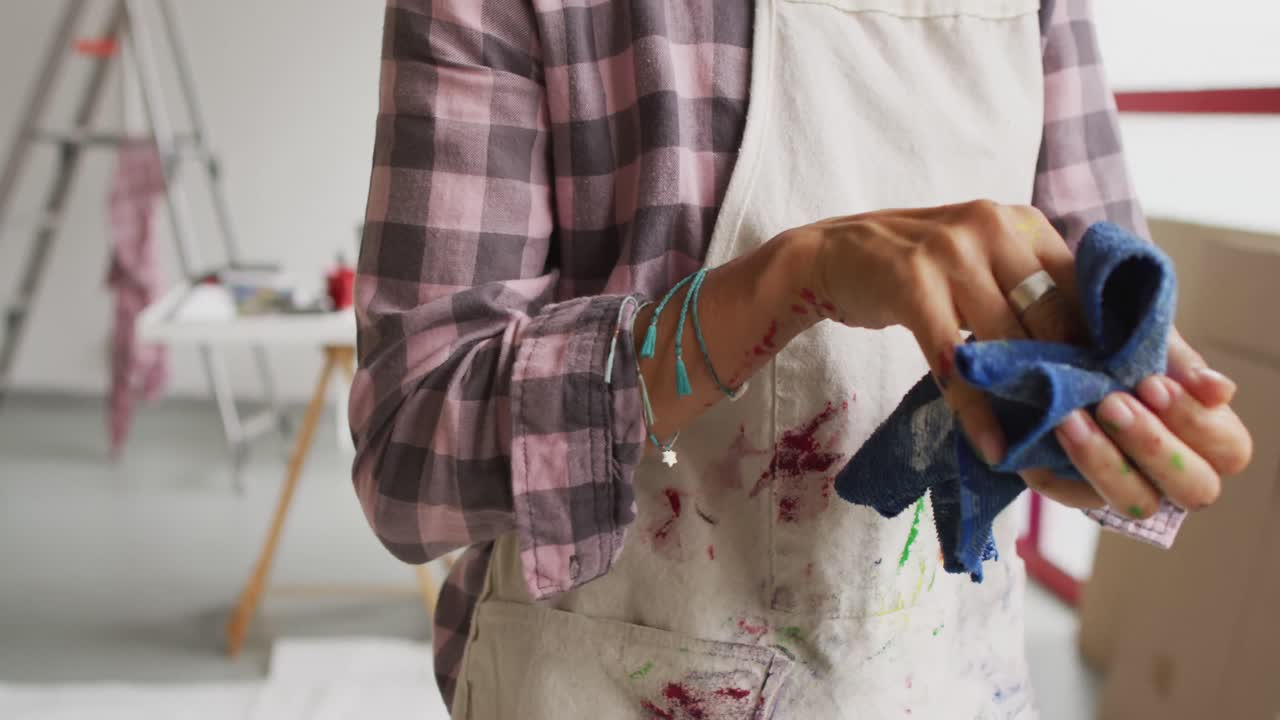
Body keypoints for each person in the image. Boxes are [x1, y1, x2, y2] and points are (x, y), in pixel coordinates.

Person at [349, 1, 1253, 717]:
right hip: (608, 683)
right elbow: (410, 453)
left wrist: (1120, 434)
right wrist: (792, 279)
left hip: (934, 680)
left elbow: (1086, 334)